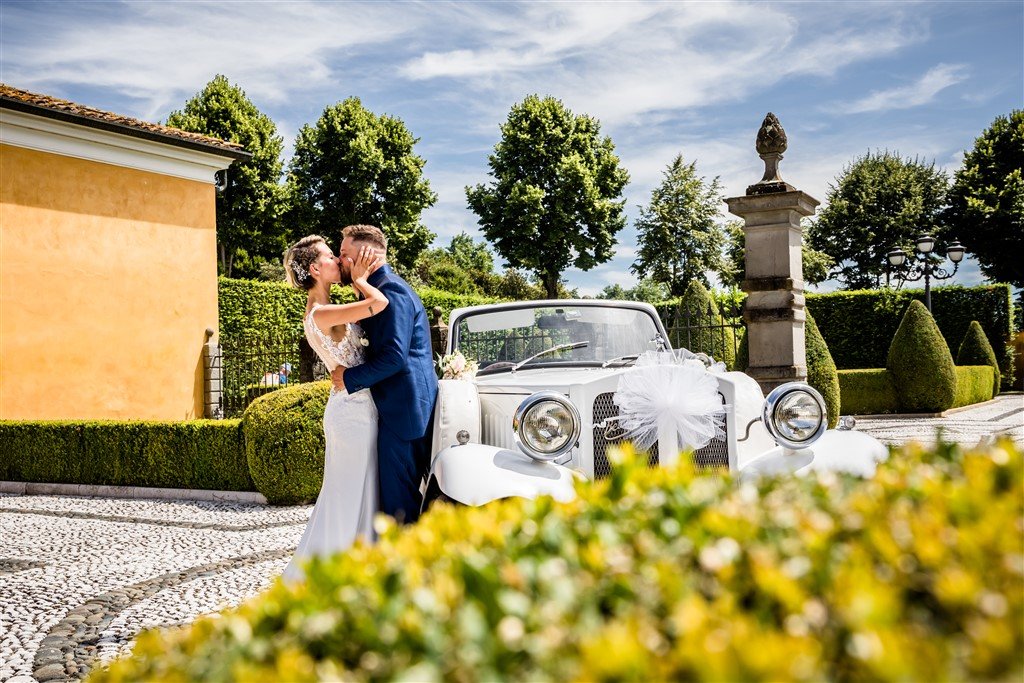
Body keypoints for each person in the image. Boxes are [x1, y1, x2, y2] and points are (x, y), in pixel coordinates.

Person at [280, 235, 387, 583]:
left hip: (355, 410)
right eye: (330, 257)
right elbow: (380, 303)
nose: (337, 261)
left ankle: (354, 574)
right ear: (315, 268)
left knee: (356, 494)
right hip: (352, 416)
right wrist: (361, 280)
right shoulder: (322, 312)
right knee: (347, 499)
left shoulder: (322, 309)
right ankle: (331, 579)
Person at [332, 225, 438, 524]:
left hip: (404, 411)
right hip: (397, 408)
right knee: (395, 497)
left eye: (344, 254)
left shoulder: (391, 288)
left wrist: (349, 378)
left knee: (399, 501)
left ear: (368, 255)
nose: (340, 261)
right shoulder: (377, 288)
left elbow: (394, 356)